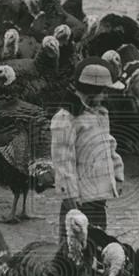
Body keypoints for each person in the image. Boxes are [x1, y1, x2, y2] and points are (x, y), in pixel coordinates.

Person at [51, 57, 124, 243]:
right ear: (90, 90)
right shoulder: (67, 118)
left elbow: (108, 144)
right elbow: (62, 159)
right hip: (79, 198)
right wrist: (68, 192)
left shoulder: (100, 113)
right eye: (102, 92)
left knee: (98, 241)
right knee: (73, 244)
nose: (105, 97)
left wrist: (117, 174)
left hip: (98, 197)